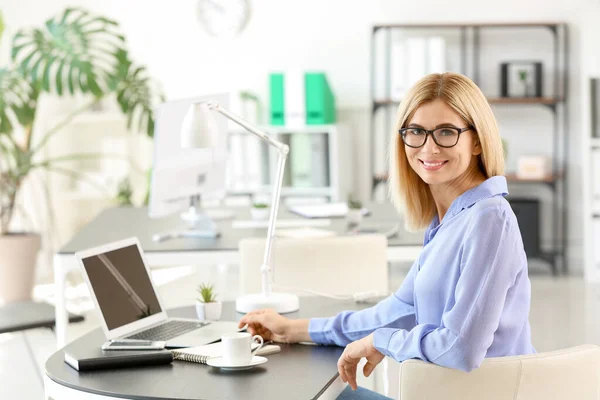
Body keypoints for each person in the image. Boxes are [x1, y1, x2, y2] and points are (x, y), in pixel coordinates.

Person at [238, 72, 535, 400]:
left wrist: (383, 341)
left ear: (477, 140)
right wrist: (293, 330)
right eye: (416, 132)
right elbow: (397, 312)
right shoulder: (449, 220)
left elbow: (461, 347)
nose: (429, 147)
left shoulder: (489, 218)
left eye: (447, 132)